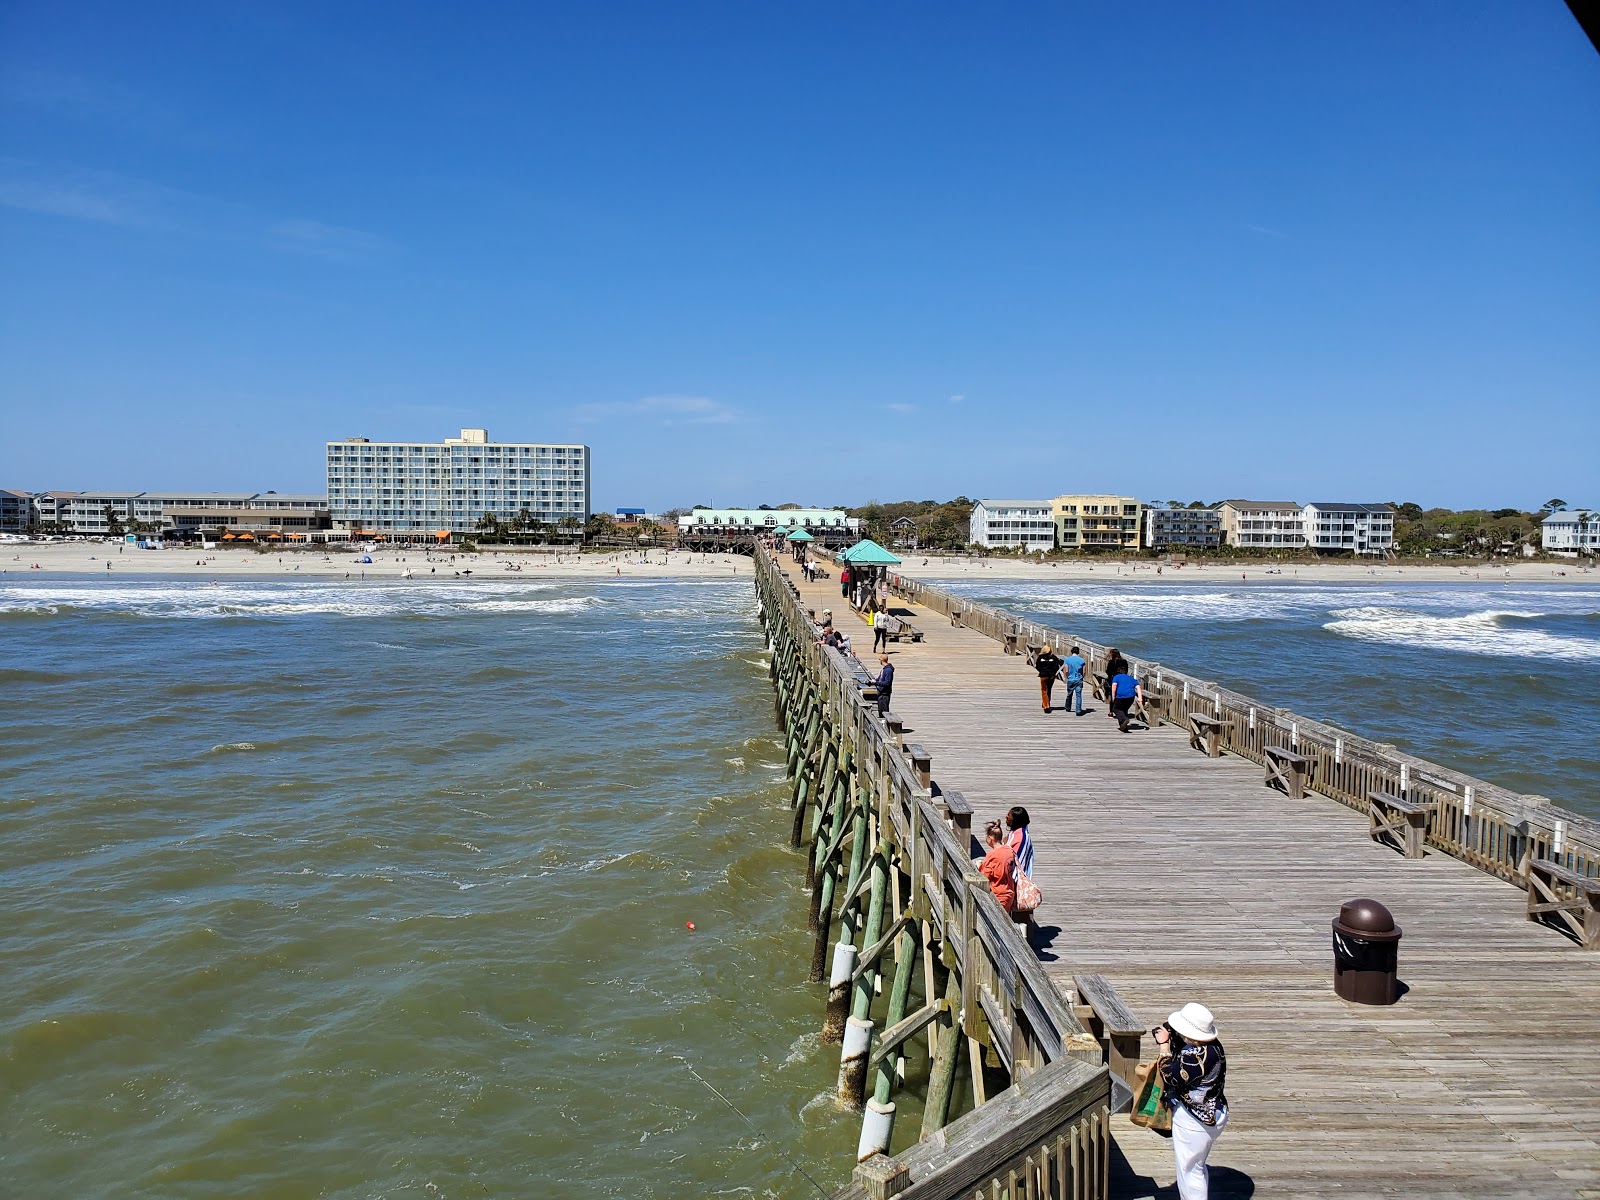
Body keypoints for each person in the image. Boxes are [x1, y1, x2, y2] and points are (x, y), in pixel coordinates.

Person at [1154, 1003, 1228, 1200]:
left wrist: (1164, 1046)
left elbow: (1171, 1076)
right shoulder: (1214, 1048)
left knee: (1190, 1173)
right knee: (1197, 1165)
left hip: (1195, 1120)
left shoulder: (1194, 1057)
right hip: (1216, 1112)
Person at [978, 820, 1016, 915]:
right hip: (1009, 894)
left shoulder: (992, 855)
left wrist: (980, 866)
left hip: (997, 895)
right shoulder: (1009, 850)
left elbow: (984, 876)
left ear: (990, 837)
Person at [1109, 668, 1142, 732]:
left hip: (1120, 696)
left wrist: (1113, 696)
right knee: (1124, 710)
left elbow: (1114, 685)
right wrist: (1140, 698)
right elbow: (1138, 687)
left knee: (1116, 709)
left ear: (1118, 672)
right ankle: (1124, 728)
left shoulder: (1116, 677)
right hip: (1130, 697)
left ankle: (1124, 719)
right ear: (1126, 672)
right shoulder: (1131, 678)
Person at [1033, 644, 1064, 713]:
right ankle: (1046, 703)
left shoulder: (1040, 657)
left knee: (1044, 690)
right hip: (1051, 676)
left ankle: (1046, 706)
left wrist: (1041, 671)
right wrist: (1053, 672)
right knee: (1049, 689)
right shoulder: (1054, 657)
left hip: (1043, 676)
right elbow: (1057, 666)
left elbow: (1037, 666)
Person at [1005, 807, 1034, 878]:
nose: (1006, 817)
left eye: (1009, 817)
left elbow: (1010, 859)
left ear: (1015, 821)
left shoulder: (1019, 837)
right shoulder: (1019, 832)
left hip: (1015, 878)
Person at [1062, 645, 1087, 716]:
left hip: (1071, 679)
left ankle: (1068, 707)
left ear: (1071, 652)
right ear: (1078, 652)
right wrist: (1082, 677)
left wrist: (1067, 677)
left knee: (1069, 694)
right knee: (1078, 695)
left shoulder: (1067, 659)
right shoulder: (1082, 660)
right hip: (1079, 679)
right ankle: (1078, 710)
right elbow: (1084, 671)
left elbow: (1066, 670)